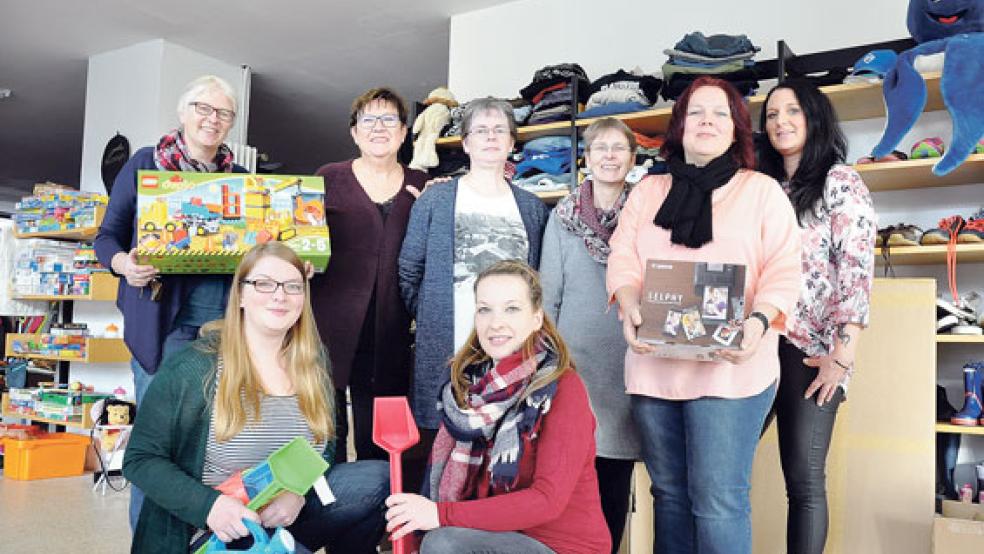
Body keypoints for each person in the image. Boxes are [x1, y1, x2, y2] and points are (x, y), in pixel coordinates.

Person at [607, 75, 802, 554]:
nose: (707, 121)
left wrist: (758, 324)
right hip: (654, 367)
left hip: (732, 374)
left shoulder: (762, 192)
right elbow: (623, 257)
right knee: (669, 496)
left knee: (718, 501)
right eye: (696, 112)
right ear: (681, 125)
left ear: (736, 129)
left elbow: (785, 267)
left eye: (719, 113)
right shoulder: (647, 192)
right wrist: (629, 303)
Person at [123, 242, 389, 553]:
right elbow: (139, 459)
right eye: (263, 284)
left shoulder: (312, 363)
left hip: (282, 515)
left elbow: (325, 448)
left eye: (292, 286)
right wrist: (211, 506)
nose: (280, 296)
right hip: (214, 531)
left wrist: (298, 493)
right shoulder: (195, 367)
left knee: (380, 480)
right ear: (240, 295)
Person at [93, 74, 248, 529]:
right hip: (163, 328)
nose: (212, 119)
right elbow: (107, 237)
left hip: (226, 328)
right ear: (183, 113)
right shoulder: (145, 164)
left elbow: (254, 250)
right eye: (203, 108)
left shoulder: (240, 180)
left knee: (216, 444)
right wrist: (124, 264)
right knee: (159, 448)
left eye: (223, 113)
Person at [384, 260, 611, 554]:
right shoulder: (467, 387)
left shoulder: (563, 388)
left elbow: (547, 501)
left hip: (562, 547)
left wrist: (440, 514)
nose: (496, 322)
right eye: (484, 309)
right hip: (494, 537)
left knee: (444, 543)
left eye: (512, 308)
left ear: (536, 318)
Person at [757, 79, 876, 554]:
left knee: (803, 482)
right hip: (760, 344)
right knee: (721, 467)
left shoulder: (839, 181)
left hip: (814, 352)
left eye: (792, 111)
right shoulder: (764, 189)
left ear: (814, 117)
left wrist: (841, 357)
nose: (780, 121)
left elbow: (856, 269)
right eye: (770, 115)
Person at [398, 98, 550, 455]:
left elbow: (538, 280)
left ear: (513, 142)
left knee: (507, 451)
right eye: (480, 130)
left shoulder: (531, 207)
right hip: (448, 353)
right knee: (443, 456)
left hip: (514, 356)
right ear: (465, 142)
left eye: (500, 130)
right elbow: (408, 271)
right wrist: (432, 315)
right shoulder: (435, 201)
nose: (491, 137)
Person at [311, 87, 428, 463]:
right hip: (331, 326)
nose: (379, 128)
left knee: (381, 438)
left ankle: (376, 514)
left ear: (404, 130)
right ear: (354, 132)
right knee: (326, 432)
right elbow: (301, 243)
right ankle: (326, 514)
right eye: (368, 120)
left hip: (394, 329)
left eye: (389, 119)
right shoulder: (327, 178)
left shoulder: (422, 184)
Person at [539, 117, 640, 552]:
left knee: (615, 476)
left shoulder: (648, 214)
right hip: (576, 365)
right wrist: (549, 361)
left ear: (633, 159)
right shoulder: (562, 217)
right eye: (601, 148)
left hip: (630, 361)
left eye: (619, 148)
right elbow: (548, 294)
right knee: (574, 476)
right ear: (586, 158)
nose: (610, 156)